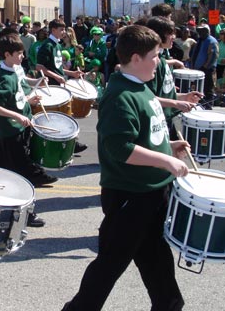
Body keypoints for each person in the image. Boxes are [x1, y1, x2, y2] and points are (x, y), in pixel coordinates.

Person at [62, 24, 190, 311]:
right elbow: (120, 149)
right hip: (130, 196)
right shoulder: (120, 96)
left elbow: (144, 137)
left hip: (152, 193)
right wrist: (166, 160)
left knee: (157, 265)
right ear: (135, 58)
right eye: (155, 56)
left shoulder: (140, 88)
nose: (160, 61)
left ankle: (169, 304)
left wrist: (168, 147)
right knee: (108, 268)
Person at [0, 33, 56, 227]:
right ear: (7, 55)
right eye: (19, 53)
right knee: (21, 175)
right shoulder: (2, 78)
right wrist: (18, 116)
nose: (22, 56)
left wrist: (29, 99)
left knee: (1, 173)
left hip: (19, 129)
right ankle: (25, 214)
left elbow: (17, 95)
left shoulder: (14, 69)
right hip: (11, 132)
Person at [36, 19, 87, 153]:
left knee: (65, 114)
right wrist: (56, 77)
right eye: (61, 30)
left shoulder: (58, 46)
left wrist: (72, 73)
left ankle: (69, 142)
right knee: (58, 116)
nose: (64, 32)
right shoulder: (47, 46)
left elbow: (57, 68)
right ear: (53, 30)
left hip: (59, 84)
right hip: (51, 86)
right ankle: (61, 144)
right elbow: (39, 67)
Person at [191, 24, 219, 108]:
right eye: (199, 31)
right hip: (197, 70)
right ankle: (200, 105)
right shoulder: (199, 40)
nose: (200, 32)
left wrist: (205, 67)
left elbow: (213, 56)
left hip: (208, 70)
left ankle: (208, 106)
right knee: (198, 88)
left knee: (208, 89)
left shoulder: (212, 41)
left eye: (203, 30)